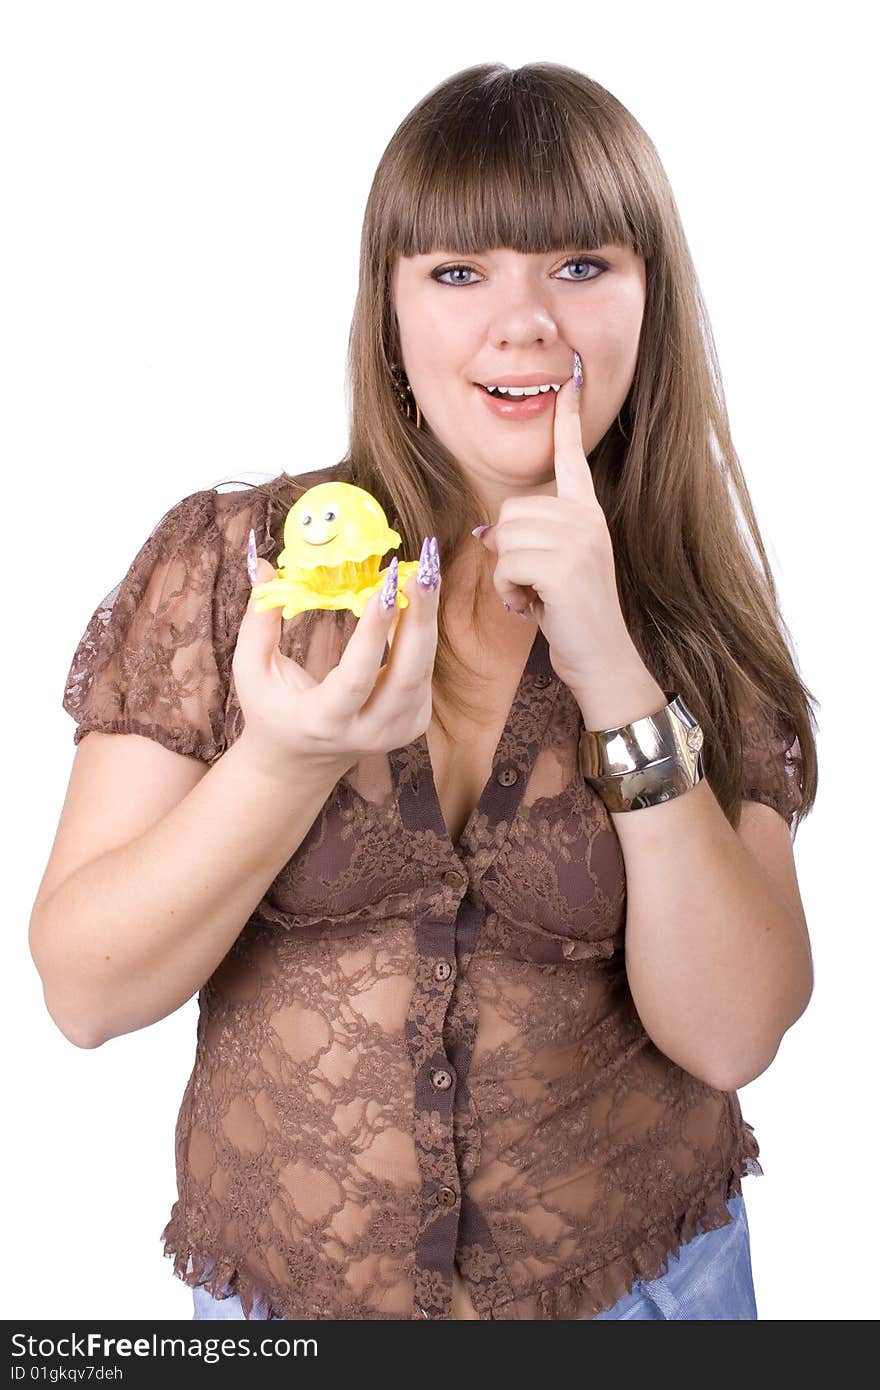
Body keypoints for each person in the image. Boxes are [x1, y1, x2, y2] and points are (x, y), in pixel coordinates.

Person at [29, 62, 818, 1322]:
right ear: (389, 310)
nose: (522, 325)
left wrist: (614, 667)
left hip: (639, 1300)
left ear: (648, 299)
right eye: (458, 273)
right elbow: (85, 990)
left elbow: (730, 1035)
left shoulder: (695, 620)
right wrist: (281, 762)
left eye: (580, 266)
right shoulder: (238, 568)